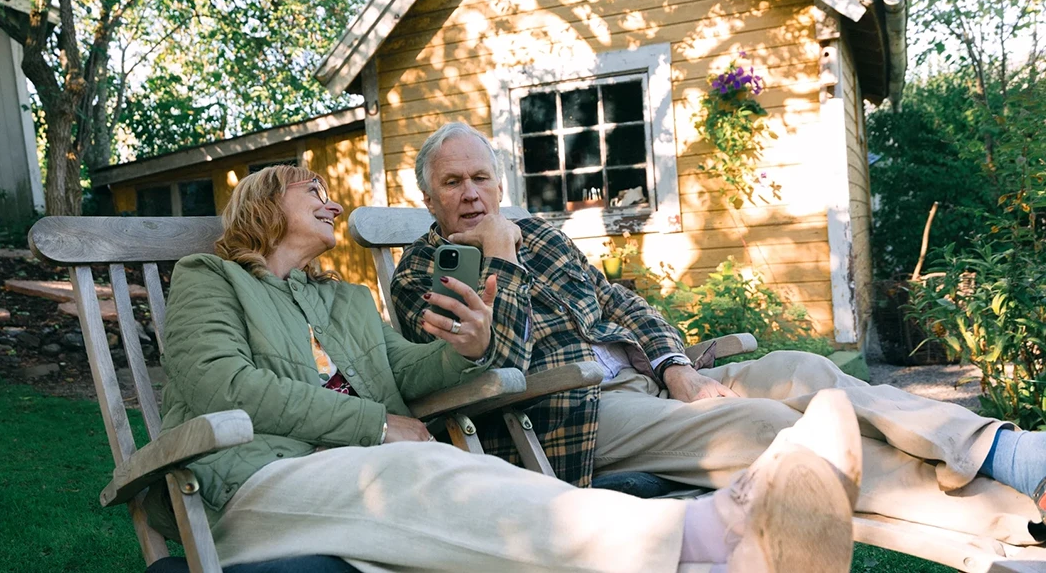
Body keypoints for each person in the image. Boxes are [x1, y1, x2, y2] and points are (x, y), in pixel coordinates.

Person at [148, 164, 863, 572]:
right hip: (252, 485)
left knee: (482, 474)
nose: (333, 201)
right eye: (313, 191)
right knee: (423, 467)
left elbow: (407, 372)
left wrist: (468, 346)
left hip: (354, 471)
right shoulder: (210, 278)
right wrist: (376, 424)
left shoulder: (343, 299)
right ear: (264, 205)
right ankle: (704, 535)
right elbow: (225, 387)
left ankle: (712, 547)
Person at [391, 121, 1046, 546]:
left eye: (481, 178)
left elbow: (619, 300)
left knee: (805, 371)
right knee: (765, 425)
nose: (472, 194)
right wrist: (500, 256)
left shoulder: (539, 233)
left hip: (650, 381)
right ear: (429, 198)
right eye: (453, 183)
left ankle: (1002, 454)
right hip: (571, 413)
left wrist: (676, 366)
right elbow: (495, 365)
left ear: (497, 182)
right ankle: (1012, 518)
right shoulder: (421, 275)